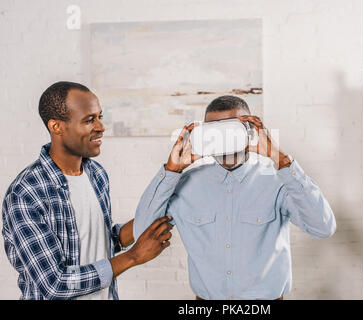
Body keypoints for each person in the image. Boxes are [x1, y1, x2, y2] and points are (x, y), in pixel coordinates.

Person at [133, 95, 336, 300]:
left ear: (250, 131)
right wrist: (170, 171)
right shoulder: (183, 185)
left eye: (231, 131)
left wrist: (281, 159)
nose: (225, 142)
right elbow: (141, 233)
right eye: (216, 133)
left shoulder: (278, 181)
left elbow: (323, 227)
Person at [2, 81, 173, 300]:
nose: (101, 127)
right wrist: (133, 256)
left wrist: (165, 204)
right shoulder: (26, 193)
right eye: (89, 120)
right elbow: (54, 284)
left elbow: (102, 239)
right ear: (56, 127)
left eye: (100, 116)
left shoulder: (96, 175)